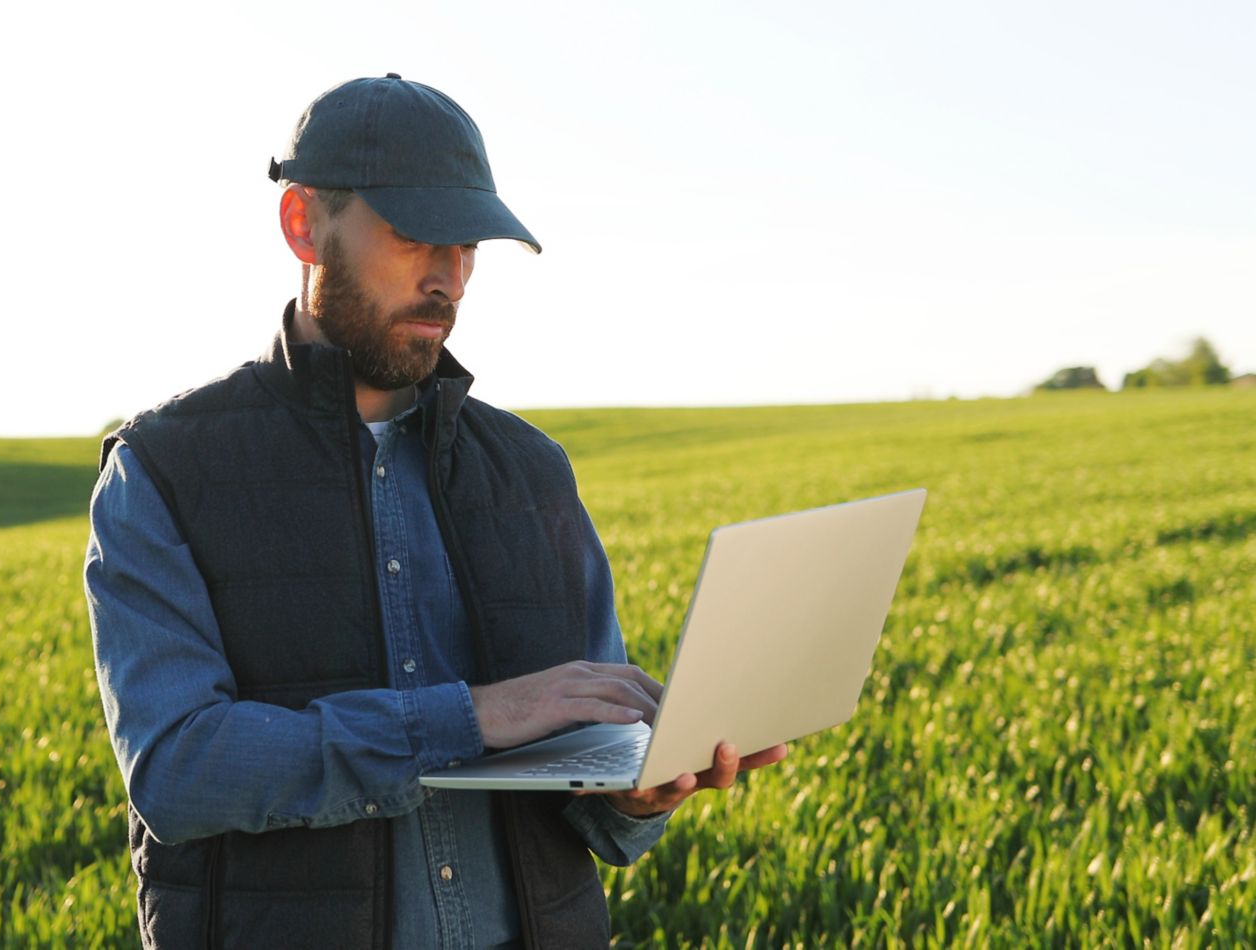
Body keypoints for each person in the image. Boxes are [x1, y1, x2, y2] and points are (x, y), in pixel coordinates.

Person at [85, 74, 786, 949]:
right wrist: (473, 717)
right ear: (304, 225)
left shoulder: (534, 474)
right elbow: (180, 770)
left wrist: (638, 797)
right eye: (415, 235)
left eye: (468, 247)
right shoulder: (165, 469)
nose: (448, 279)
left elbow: (592, 795)